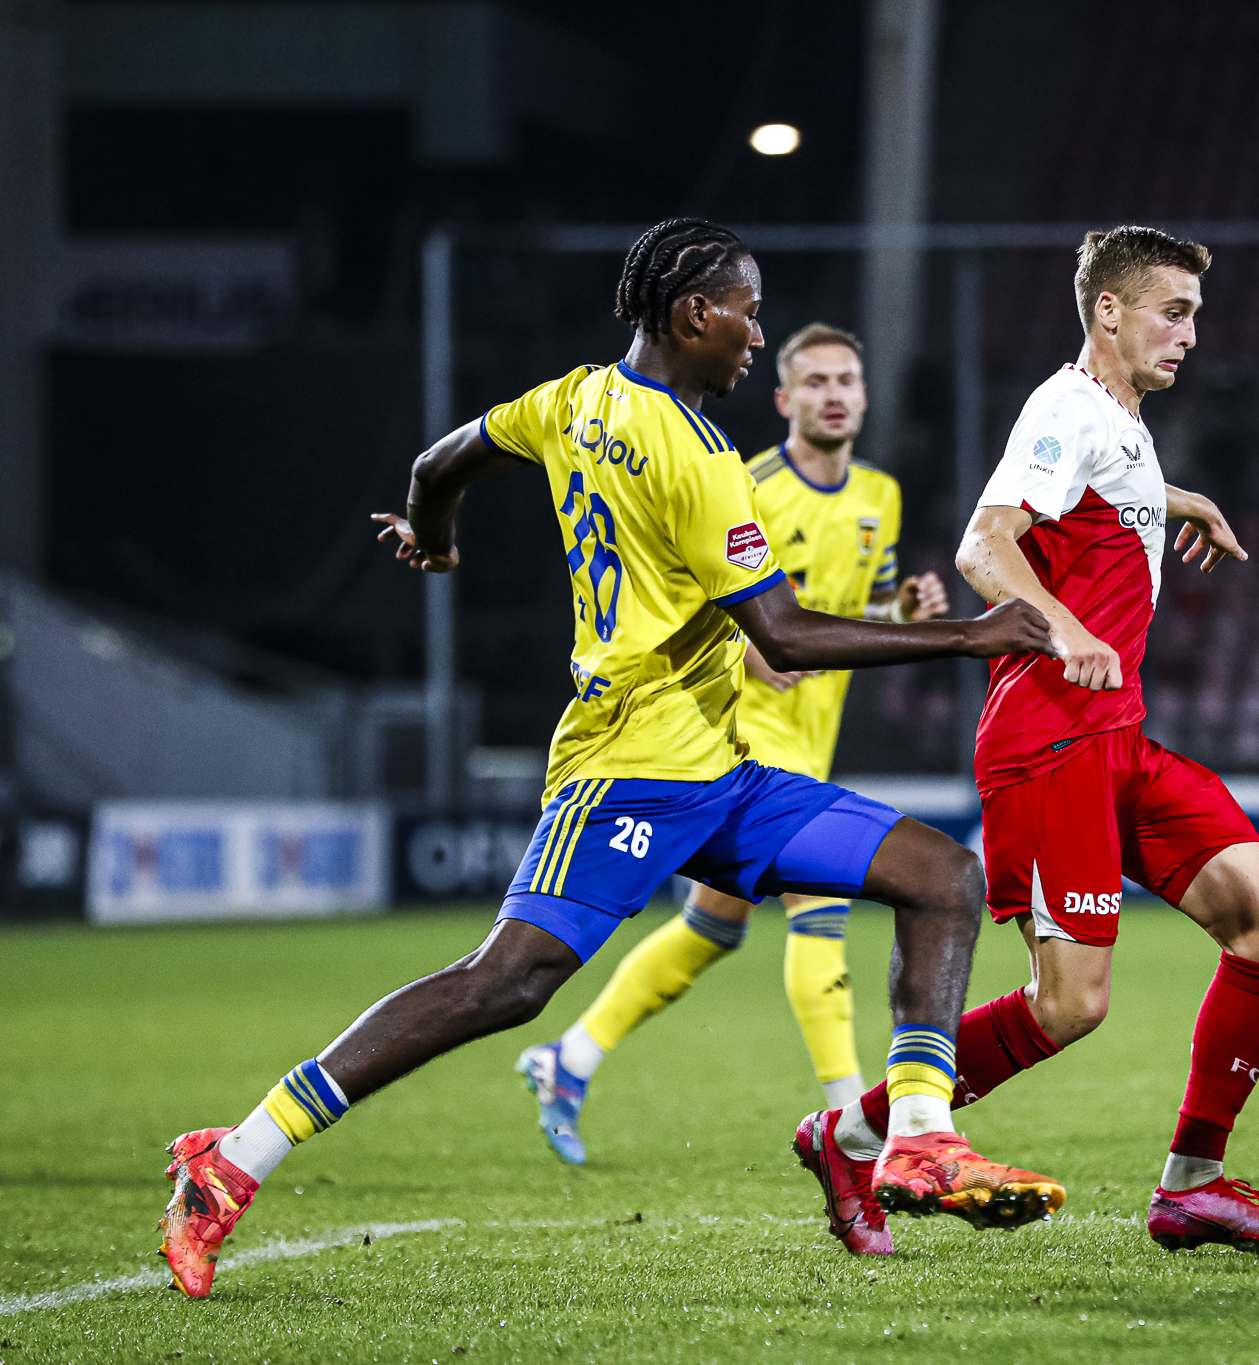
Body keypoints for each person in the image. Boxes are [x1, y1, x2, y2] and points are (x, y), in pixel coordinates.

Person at [156, 219, 1064, 1299]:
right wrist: (968, 635)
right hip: (627, 766)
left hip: (721, 773)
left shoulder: (569, 398)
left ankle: (907, 1139)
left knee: (942, 875)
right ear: (693, 313)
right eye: (746, 314)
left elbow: (439, 463)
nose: (754, 335)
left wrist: (434, 536)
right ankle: (234, 1156)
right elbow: (782, 636)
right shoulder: (700, 457)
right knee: (506, 983)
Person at [796, 226, 1259, 1257]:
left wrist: (1185, 500)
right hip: (1049, 741)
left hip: (1120, 737)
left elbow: (1104, 487)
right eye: (1173, 312)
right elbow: (983, 543)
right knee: (1069, 1005)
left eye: (1195, 315)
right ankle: (850, 1135)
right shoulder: (1064, 406)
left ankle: (1192, 1186)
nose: (1191, 334)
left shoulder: (1116, 419)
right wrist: (1065, 627)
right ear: (1108, 311)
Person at [515, 322, 950, 1171]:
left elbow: (861, 610)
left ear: (865, 397)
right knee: (820, 915)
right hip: (739, 734)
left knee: (711, 928)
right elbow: (690, 600)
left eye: (847, 380)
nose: (834, 394)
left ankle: (569, 1057)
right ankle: (858, 1123)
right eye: (816, 381)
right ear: (784, 399)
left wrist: (904, 612)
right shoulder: (745, 483)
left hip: (813, 735)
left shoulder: (881, 494)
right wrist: (748, 646)